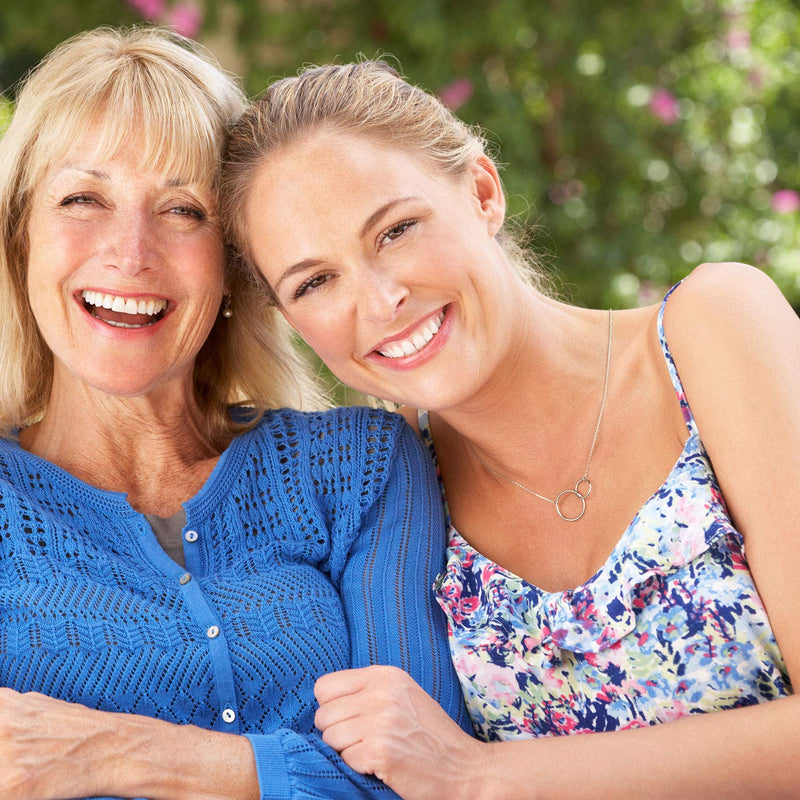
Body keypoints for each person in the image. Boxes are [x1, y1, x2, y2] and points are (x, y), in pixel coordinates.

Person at [221, 60, 800, 798]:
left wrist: (483, 777)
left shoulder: (711, 333)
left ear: (482, 192)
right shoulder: (390, 484)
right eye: (314, 282)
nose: (382, 298)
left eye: (396, 230)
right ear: (287, 319)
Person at [0, 33, 468, 800]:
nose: (130, 252)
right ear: (21, 239)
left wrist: (111, 752)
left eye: (182, 209)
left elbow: (426, 777)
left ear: (232, 266)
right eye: (82, 199)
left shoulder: (359, 468)